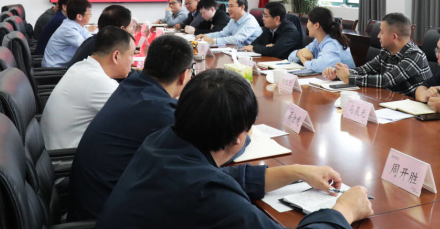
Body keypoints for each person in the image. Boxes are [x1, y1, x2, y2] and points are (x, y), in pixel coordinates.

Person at [94, 69, 374, 229]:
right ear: (239, 139)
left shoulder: (162, 140)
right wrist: (343, 211)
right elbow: (212, 187)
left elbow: (221, 177)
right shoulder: (208, 196)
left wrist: (297, 172)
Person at [68, 35, 246, 221]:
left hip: (95, 200)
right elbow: (217, 148)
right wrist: (243, 127)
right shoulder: (163, 113)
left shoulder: (132, 85)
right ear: (184, 75)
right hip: (102, 213)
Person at [41, 27, 135, 150]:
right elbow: (136, 120)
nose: (132, 61)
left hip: (54, 149)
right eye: (131, 55)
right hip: (66, 156)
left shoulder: (81, 66)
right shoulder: (98, 82)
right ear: (116, 56)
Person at [322, 13, 430, 96]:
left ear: (394, 37)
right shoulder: (386, 51)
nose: (378, 36)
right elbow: (364, 69)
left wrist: (349, 78)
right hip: (391, 102)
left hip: (413, 110)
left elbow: (386, 80)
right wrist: (338, 73)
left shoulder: (415, 55)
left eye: (381, 32)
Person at [287, 7, 353, 71]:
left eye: (308, 22)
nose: (307, 25)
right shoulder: (317, 41)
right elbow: (290, 57)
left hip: (346, 78)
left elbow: (320, 67)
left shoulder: (332, 44)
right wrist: (300, 52)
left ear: (316, 25)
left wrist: (304, 61)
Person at [68, 4, 134, 67]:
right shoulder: (105, 46)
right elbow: (119, 71)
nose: (131, 31)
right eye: (130, 27)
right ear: (122, 29)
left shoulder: (94, 40)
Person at [42, 0, 92, 68]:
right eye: (89, 14)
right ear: (79, 16)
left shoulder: (77, 24)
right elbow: (86, 47)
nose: (90, 16)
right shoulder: (68, 29)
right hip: (55, 70)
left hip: (64, 66)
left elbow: (90, 40)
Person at [197, 0, 262, 47]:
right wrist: (206, 36)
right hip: (238, 51)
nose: (228, 9)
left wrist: (213, 41)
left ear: (242, 7)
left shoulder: (250, 21)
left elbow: (237, 39)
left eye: (231, 6)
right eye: (228, 6)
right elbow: (222, 34)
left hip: (252, 55)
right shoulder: (233, 20)